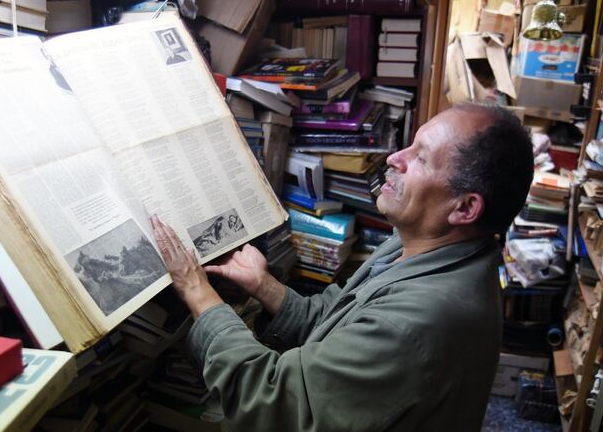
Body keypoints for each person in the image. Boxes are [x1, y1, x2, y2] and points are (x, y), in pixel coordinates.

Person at [150, 104, 534, 431]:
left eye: (420, 158)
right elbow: (336, 318)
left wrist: (196, 290)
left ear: (465, 208)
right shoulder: (422, 245)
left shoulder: (421, 320)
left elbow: (270, 401)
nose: (393, 158)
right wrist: (264, 284)